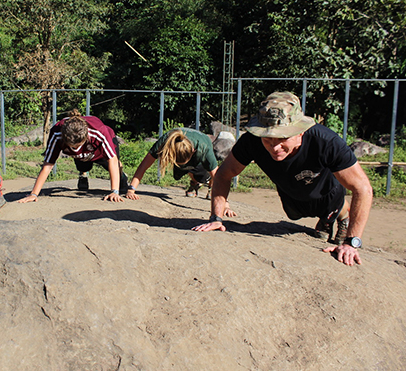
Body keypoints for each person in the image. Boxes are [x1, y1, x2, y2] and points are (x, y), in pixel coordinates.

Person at [192, 92, 373, 267]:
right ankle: (325, 220)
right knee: (294, 213)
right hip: (290, 189)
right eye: (268, 139)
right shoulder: (252, 141)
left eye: (283, 138)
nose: (275, 146)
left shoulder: (326, 142)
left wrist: (351, 242)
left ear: (300, 132)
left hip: (326, 188)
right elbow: (224, 173)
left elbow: (362, 188)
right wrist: (216, 218)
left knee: (330, 204)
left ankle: (339, 217)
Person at [18, 110, 128, 203]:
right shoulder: (57, 133)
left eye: (78, 146)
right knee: (82, 163)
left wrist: (114, 192)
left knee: (112, 165)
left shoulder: (99, 131)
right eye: (72, 147)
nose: (75, 149)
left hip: (99, 149)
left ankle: (122, 178)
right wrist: (34, 194)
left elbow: (112, 160)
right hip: (84, 154)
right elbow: (48, 165)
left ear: (86, 137)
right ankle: (83, 175)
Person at [125, 128, 234, 214]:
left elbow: (219, 177)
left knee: (207, 176)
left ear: (193, 151)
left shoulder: (204, 149)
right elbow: (144, 165)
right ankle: (194, 182)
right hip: (179, 149)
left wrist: (226, 205)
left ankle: (209, 186)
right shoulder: (165, 142)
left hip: (200, 152)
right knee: (177, 175)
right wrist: (131, 189)